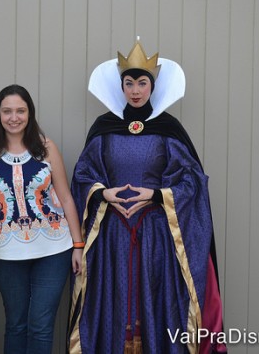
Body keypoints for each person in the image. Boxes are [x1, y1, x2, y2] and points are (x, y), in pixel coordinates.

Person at [68, 39, 227, 354]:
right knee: (114, 300)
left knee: (153, 300)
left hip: (156, 237)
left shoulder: (168, 129)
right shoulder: (104, 128)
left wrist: (156, 195)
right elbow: (83, 176)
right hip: (112, 236)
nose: (135, 90)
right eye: (129, 83)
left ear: (152, 87)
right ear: (122, 86)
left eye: (142, 83)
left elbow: (192, 181)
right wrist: (104, 192)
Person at [0, 84, 84, 354]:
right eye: (7, 111)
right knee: (17, 324)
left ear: (30, 113)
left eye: (20, 110)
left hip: (54, 248)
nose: (14, 117)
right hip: (7, 253)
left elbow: (66, 197)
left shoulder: (45, 148)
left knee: (41, 325)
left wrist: (78, 246)